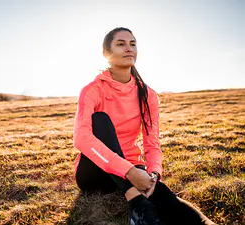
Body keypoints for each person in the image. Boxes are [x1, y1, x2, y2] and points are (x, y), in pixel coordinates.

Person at [73, 27, 216, 225]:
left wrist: (154, 174)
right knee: (100, 120)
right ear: (107, 53)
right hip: (94, 173)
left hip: (134, 167)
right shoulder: (92, 90)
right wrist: (130, 172)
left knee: (164, 195)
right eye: (120, 44)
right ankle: (135, 201)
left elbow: (152, 141)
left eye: (133, 44)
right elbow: (81, 138)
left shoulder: (147, 94)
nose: (129, 48)